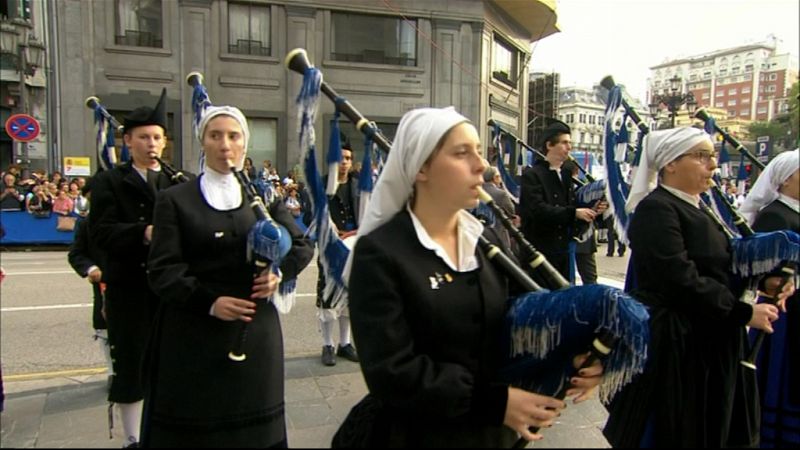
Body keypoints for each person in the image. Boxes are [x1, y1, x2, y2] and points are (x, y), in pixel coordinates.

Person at [344, 107, 603, 447]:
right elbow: (391, 371)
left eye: (479, 151)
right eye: (462, 153)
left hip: (488, 434)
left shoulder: (485, 240)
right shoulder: (380, 252)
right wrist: (495, 403)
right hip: (417, 435)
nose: (480, 165)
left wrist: (575, 353)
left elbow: (515, 321)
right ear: (421, 166)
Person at [603, 127, 794, 447]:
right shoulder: (656, 209)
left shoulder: (698, 208)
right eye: (701, 156)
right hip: (679, 344)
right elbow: (679, 279)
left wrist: (765, 281)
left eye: (712, 156)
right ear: (670, 164)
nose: (713, 165)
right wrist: (744, 312)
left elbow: (719, 265)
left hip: (706, 338)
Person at [144, 105, 313, 448]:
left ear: (244, 145)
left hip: (255, 333)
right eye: (215, 135)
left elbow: (302, 244)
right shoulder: (175, 200)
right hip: (196, 334)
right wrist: (209, 302)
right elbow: (163, 270)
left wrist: (278, 273)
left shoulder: (265, 196)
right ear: (202, 142)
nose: (225, 144)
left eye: (233, 136)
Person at [88, 88, 187, 448]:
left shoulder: (179, 181)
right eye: (144, 137)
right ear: (127, 140)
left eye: (158, 137)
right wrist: (143, 232)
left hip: (170, 290)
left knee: (172, 365)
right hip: (129, 289)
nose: (152, 144)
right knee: (131, 366)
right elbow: (99, 233)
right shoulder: (109, 182)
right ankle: (133, 438)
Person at [739, 148, 800, 447]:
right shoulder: (775, 214)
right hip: (784, 311)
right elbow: (765, 270)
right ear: (786, 179)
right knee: (781, 375)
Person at [519, 120, 597, 283]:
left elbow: (571, 214)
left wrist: (591, 212)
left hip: (562, 257)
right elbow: (538, 211)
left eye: (569, 143)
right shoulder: (532, 176)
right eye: (564, 143)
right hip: (539, 255)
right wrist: (574, 213)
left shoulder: (566, 175)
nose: (569, 148)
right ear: (549, 145)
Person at [317, 143, 360, 366]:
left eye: (348, 158)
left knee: (349, 299)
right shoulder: (321, 185)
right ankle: (327, 344)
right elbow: (308, 217)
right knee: (328, 299)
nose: (344, 162)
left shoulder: (358, 185)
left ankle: (344, 344)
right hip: (331, 250)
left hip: (353, 248)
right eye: (340, 157)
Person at [67, 178, 113, 382]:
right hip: (103, 286)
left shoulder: (126, 221)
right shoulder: (86, 225)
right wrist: (91, 268)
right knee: (105, 328)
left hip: (132, 284)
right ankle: (113, 371)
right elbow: (76, 253)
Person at [480, 166, 515, 250]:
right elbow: (511, 210)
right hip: (498, 233)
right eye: (499, 176)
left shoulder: (477, 191)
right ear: (495, 178)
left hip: (481, 234)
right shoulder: (501, 194)